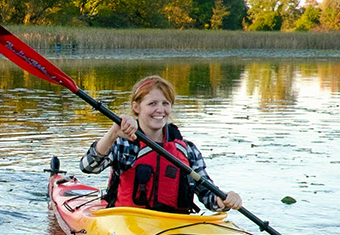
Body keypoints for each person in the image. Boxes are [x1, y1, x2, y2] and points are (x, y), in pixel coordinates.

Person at [80, 75, 243, 214]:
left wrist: (224, 200)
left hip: (172, 225)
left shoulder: (187, 150)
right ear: (136, 107)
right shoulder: (125, 144)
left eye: (165, 103)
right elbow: (88, 167)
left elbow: (206, 193)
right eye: (152, 104)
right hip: (127, 222)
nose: (160, 109)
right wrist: (112, 134)